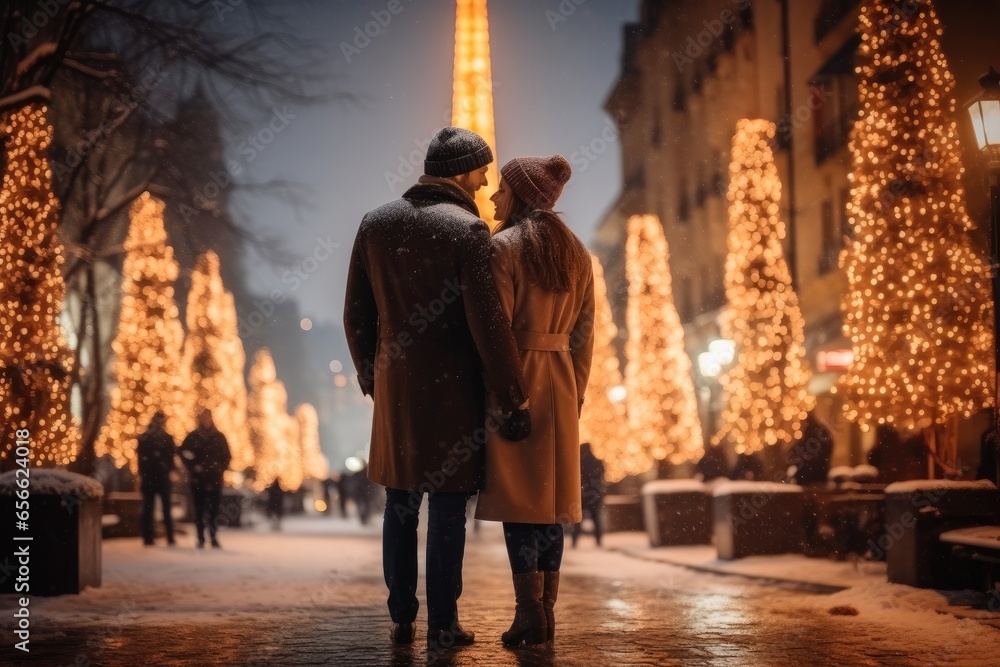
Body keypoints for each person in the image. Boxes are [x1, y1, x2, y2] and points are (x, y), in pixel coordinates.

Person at [344, 127, 530, 648]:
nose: (487, 179)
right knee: (449, 508)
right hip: (453, 395)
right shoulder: (468, 230)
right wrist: (512, 393)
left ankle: (402, 612)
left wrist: (370, 374)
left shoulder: (375, 223)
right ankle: (444, 620)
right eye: (482, 169)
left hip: (396, 395)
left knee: (400, 505)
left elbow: (356, 311)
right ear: (461, 171)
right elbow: (487, 325)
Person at [475, 155, 595, 648]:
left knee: (518, 505)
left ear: (521, 195)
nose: (493, 196)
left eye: (503, 188)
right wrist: (576, 393)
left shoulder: (502, 248)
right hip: (562, 383)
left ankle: (529, 613)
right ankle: (546, 613)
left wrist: (508, 396)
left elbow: (495, 332)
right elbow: (586, 335)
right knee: (548, 506)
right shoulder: (577, 252)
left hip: (517, 381)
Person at [179, 409, 231, 548]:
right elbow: (182, 452)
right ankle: (201, 537)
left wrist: (219, 468)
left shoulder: (218, 437)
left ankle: (213, 537)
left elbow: (227, 456)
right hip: (199, 479)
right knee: (199, 510)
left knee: (213, 510)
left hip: (214, 479)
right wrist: (193, 466)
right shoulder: (194, 436)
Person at [137, 411, 176, 546]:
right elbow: (171, 460)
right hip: (160, 477)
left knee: (150, 508)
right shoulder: (166, 438)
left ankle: (148, 536)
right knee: (163, 509)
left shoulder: (145, 437)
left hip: (152, 477)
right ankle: (168, 536)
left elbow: (141, 460)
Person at [571, 443, 606, 548]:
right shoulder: (597, 463)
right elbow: (601, 478)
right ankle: (598, 540)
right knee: (595, 518)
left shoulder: (578, 463)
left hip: (580, 495)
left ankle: (574, 541)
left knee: (576, 520)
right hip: (594, 495)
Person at [786, 411, 834, 486]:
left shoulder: (812, 432)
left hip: (811, 476)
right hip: (819, 474)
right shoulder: (819, 430)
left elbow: (807, 453)